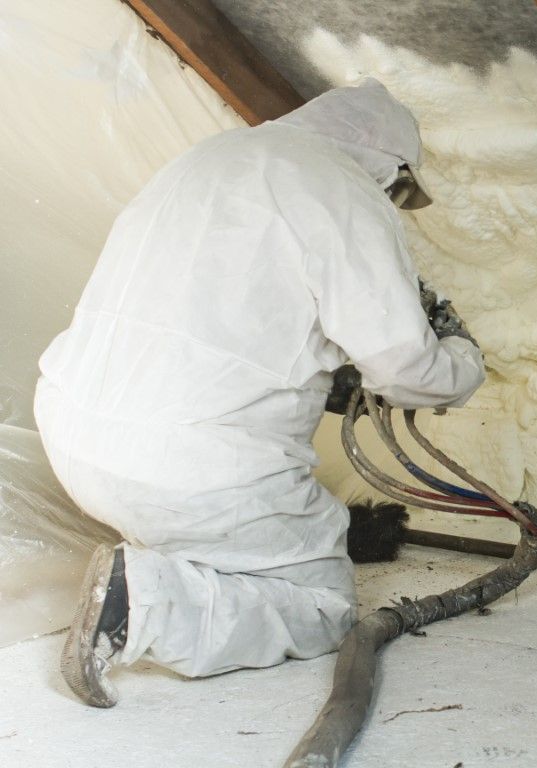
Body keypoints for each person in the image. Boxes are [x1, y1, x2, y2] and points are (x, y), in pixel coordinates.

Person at [34, 79, 485, 707]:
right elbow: (409, 369)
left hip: (76, 439)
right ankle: (144, 604)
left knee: (222, 530)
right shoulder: (346, 192)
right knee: (322, 606)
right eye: (399, 189)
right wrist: (464, 357)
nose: (393, 198)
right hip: (191, 472)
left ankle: (164, 564)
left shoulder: (206, 158)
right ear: (391, 165)